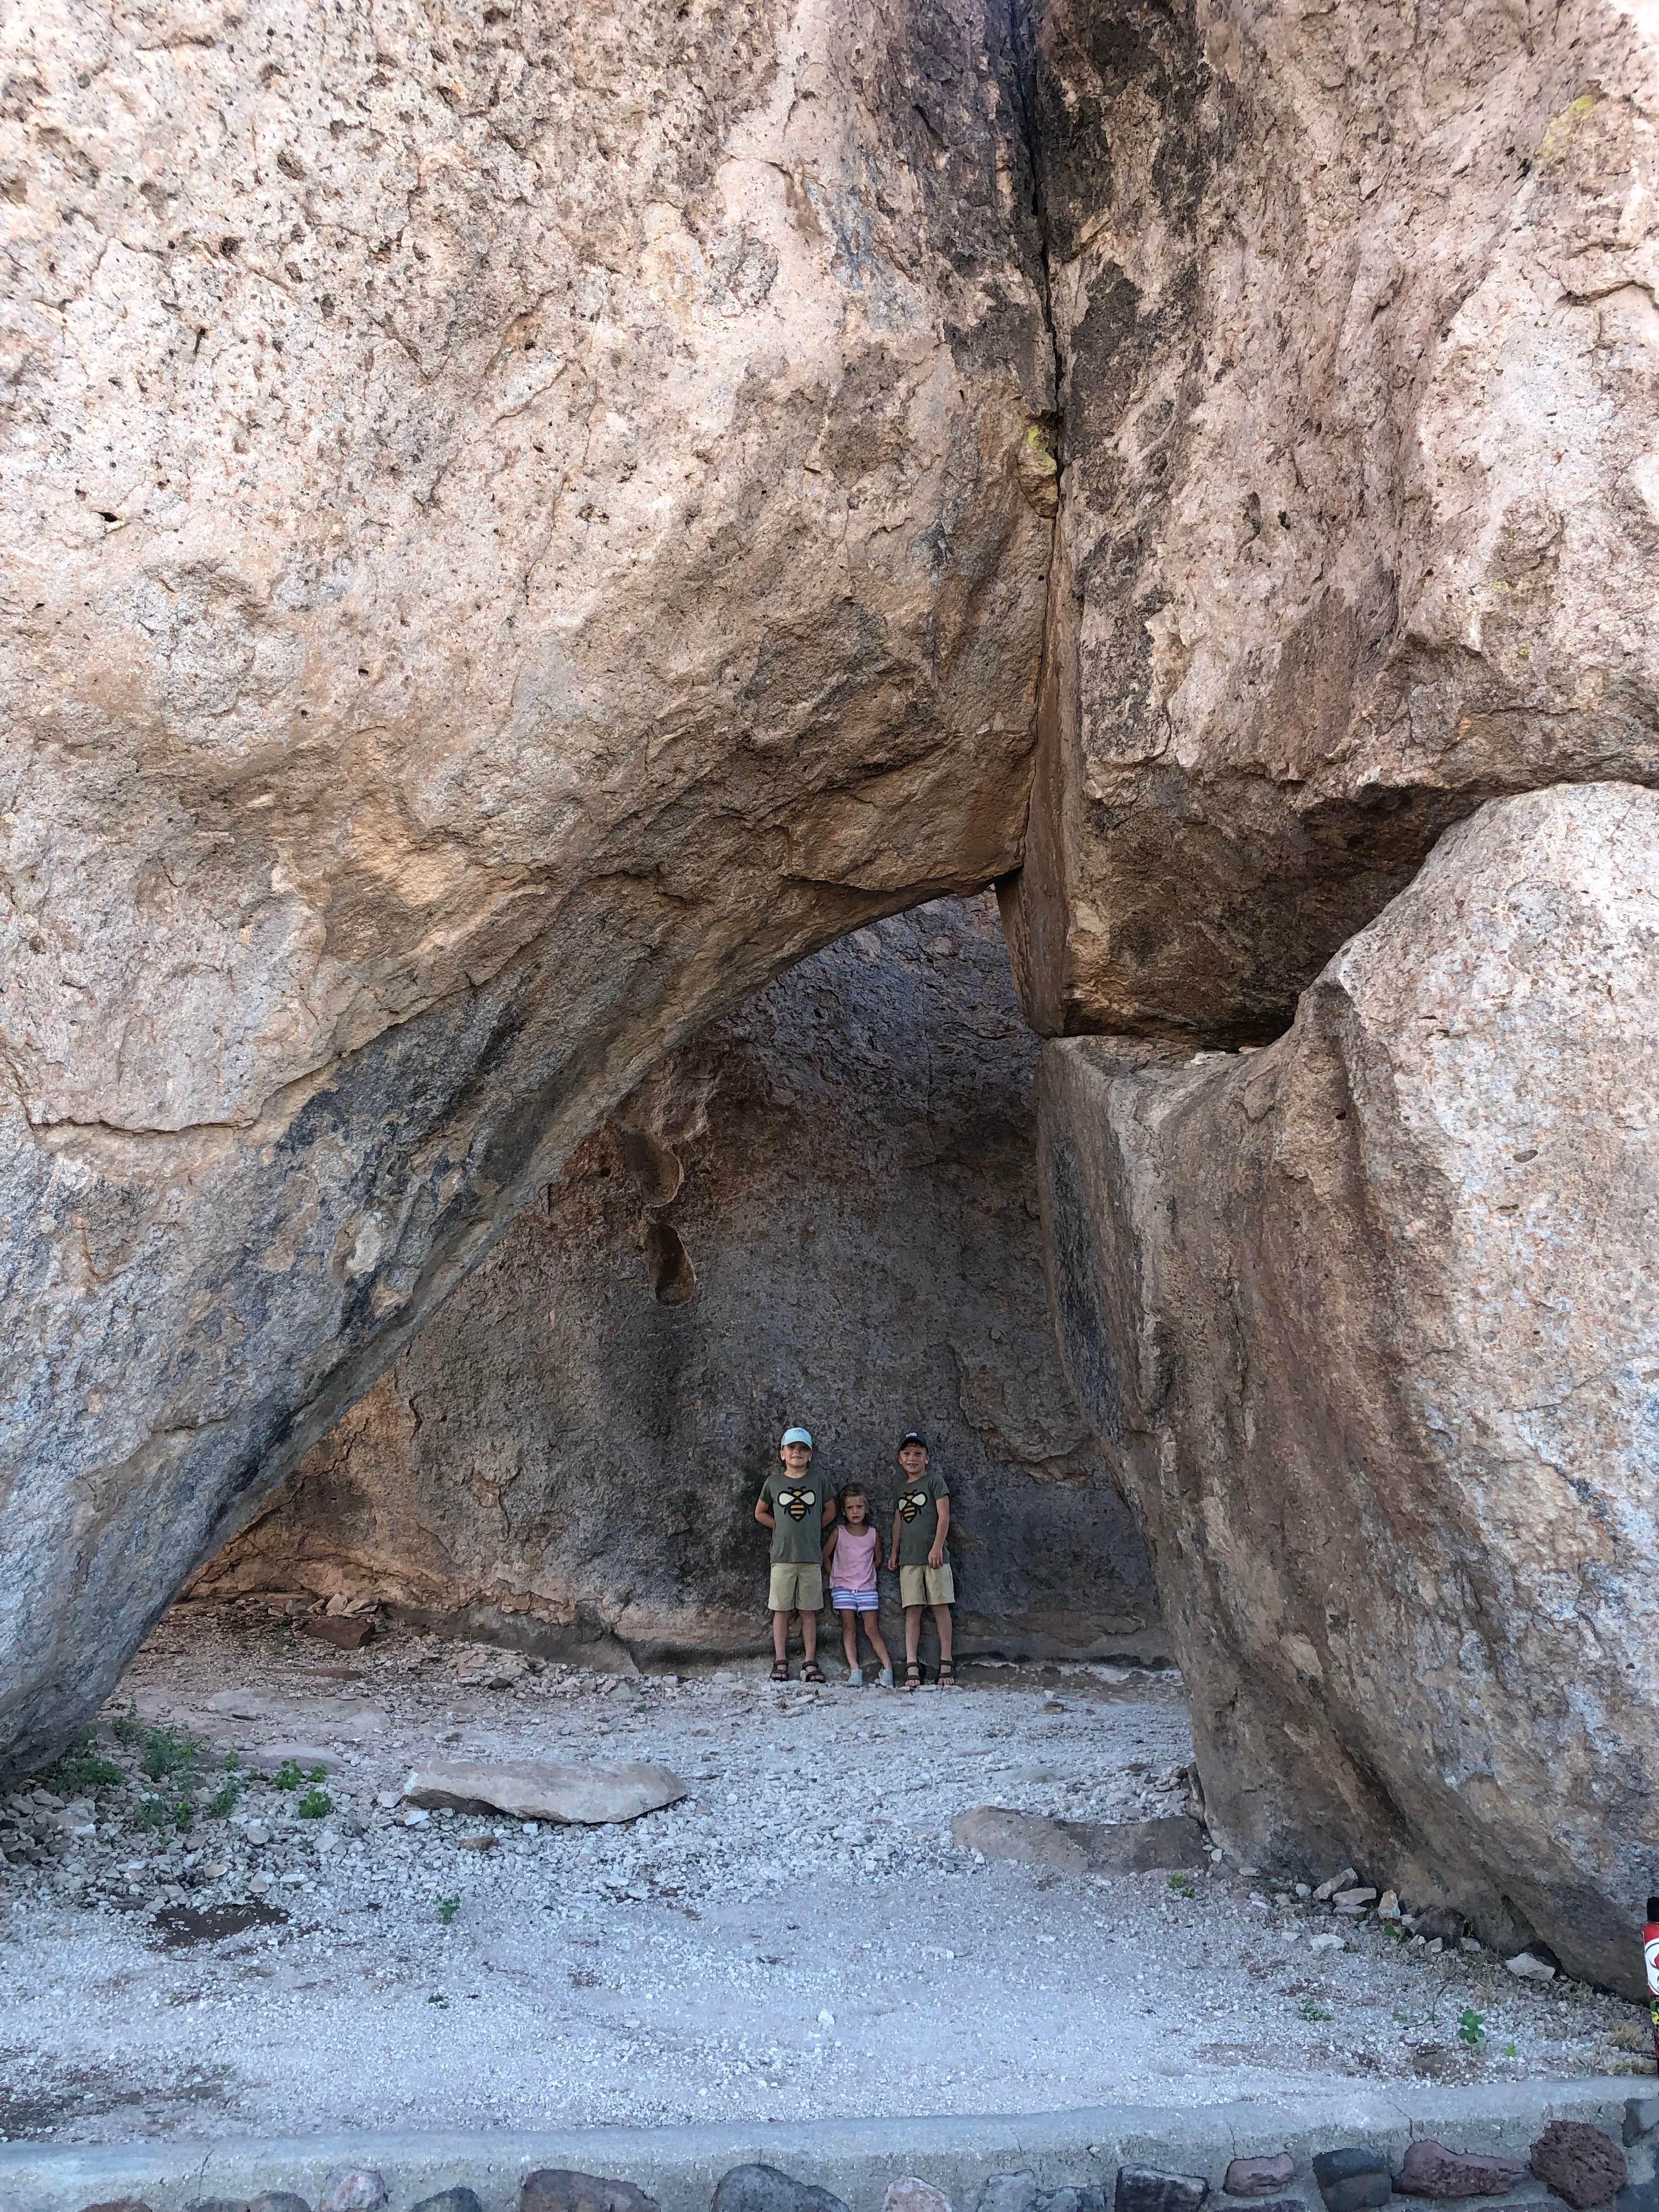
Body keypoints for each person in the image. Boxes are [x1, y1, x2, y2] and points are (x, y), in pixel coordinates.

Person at [755, 1424, 837, 1683]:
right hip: (782, 1557)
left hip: (811, 1557)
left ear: (810, 1455)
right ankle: (781, 1661)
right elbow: (760, 1512)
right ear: (782, 1454)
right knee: (781, 1610)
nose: (797, 1453)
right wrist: (779, 1526)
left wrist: (814, 1527)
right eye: (792, 1448)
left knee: (809, 1610)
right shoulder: (774, 1482)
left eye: (803, 1449)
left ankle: (810, 1661)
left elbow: (831, 1511)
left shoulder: (818, 1480)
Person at [888, 1430, 956, 1689]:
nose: (912, 1458)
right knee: (913, 1609)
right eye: (907, 1454)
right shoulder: (901, 1489)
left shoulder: (935, 1481)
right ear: (899, 1459)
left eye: (918, 1454)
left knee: (941, 1607)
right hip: (909, 1559)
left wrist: (937, 1547)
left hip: (935, 1557)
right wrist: (894, 1551)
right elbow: (898, 1521)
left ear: (927, 1458)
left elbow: (944, 1515)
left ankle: (946, 1659)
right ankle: (911, 1661)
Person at [823, 1483, 894, 1687]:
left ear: (866, 1509)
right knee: (849, 1628)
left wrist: (867, 1574)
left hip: (867, 1589)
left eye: (859, 1507)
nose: (855, 1512)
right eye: (851, 1508)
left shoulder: (872, 1534)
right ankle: (855, 1670)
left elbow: (878, 1558)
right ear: (844, 1511)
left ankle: (887, 1668)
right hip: (843, 1589)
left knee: (873, 1629)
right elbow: (826, 1554)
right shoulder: (839, 1532)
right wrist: (834, 1574)